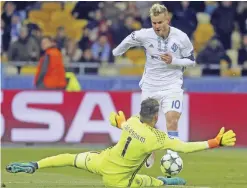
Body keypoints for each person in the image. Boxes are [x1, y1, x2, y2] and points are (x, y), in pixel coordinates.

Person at [6, 98, 236, 188]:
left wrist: (117, 122)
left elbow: (121, 123)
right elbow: (186, 147)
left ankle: (34, 165)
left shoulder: (132, 122)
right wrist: (215, 142)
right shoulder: (157, 138)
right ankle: (164, 183)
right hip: (119, 181)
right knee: (147, 183)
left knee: (70, 158)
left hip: (102, 160)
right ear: (156, 117)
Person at [112, 3, 195, 168]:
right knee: (147, 123)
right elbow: (128, 40)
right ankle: (150, 150)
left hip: (172, 84)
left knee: (172, 119)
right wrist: (116, 52)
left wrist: (174, 61)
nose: (157, 26)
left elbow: (191, 61)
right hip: (150, 85)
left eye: (160, 22)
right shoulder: (144, 35)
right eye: (154, 23)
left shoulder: (181, 37)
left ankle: (172, 154)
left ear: (167, 20)